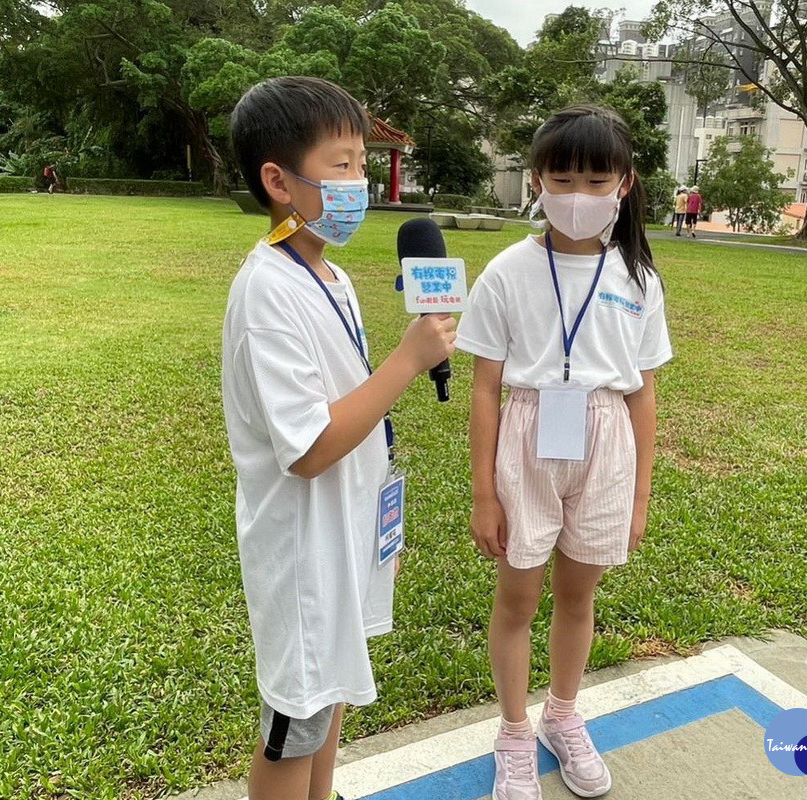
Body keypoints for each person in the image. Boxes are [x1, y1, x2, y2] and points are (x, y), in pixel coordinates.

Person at [223, 76, 457, 800]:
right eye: (342, 164)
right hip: (303, 553)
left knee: (330, 706)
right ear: (278, 182)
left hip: (346, 532)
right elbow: (311, 447)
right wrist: (409, 358)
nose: (361, 182)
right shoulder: (268, 290)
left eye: (363, 163)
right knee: (296, 724)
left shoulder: (331, 275)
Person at [458, 105, 672, 800]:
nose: (578, 195)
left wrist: (640, 492)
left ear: (625, 184)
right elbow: (486, 389)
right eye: (563, 177)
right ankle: (514, 732)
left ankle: (562, 715)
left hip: (605, 441)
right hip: (527, 434)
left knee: (578, 599)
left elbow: (642, 393)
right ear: (536, 180)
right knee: (518, 596)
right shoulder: (507, 272)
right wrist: (485, 493)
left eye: (595, 178)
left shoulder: (639, 277)